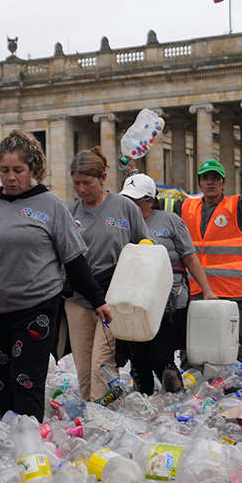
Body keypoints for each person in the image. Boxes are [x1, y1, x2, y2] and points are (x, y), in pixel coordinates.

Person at [0, 130, 108, 419]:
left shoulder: (50, 205)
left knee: (26, 382)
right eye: (4, 170)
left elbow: (73, 259)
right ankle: (9, 435)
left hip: (35, 308)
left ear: (32, 169)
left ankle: (29, 438)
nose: (11, 177)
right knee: (2, 384)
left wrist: (97, 300)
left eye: (18, 170)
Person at [159, 149, 242, 363]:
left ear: (224, 184)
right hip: (195, 290)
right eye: (205, 178)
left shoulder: (238, 206)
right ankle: (194, 380)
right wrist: (132, 173)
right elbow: (150, 201)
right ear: (199, 184)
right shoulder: (185, 207)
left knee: (236, 350)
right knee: (193, 348)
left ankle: (238, 380)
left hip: (228, 292)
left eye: (215, 178)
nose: (210, 182)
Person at [119, 173, 217, 395]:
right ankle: (144, 401)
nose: (131, 207)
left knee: (160, 356)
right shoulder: (123, 225)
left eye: (136, 201)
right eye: (127, 201)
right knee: (138, 360)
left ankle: (175, 399)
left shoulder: (169, 221)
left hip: (170, 299)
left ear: (150, 200)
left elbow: (189, 257)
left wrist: (207, 290)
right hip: (135, 299)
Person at [65, 147, 148, 401]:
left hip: (114, 298)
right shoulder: (70, 213)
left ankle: (103, 414)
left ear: (102, 178)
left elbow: (144, 248)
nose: (81, 190)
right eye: (76, 183)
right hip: (78, 299)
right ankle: (90, 410)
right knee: (83, 367)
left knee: (102, 363)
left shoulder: (125, 208)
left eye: (87, 183)